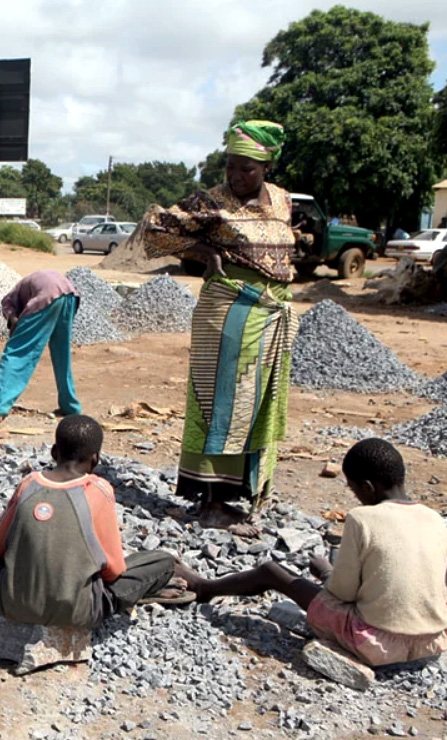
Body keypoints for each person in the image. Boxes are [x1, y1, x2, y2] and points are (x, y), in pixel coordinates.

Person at [176, 439, 447, 667]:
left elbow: (342, 594)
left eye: (353, 489)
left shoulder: (362, 519)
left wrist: (326, 572)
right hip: (437, 636)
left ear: (368, 488)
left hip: (375, 643)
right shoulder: (434, 518)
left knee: (272, 572)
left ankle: (205, 588)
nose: (355, 496)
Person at [140, 120, 297, 533]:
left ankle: (247, 489)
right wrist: (203, 249)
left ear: (266, 168)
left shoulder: (282, 200)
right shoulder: (210, 200)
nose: (236, 175)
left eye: (247, 168)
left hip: (272, 313)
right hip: (229, 311)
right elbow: (154, 230)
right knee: (223, 403)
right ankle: (212, 501)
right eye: (231, 165)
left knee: (261, 401)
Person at [0, 416, 188, 626]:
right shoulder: (99, 490)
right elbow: (114, 570)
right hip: (81, 612)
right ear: (96, 460)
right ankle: (147, 590)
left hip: (11, 604)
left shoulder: (28, 485)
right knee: (160, 561)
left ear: (53, 452)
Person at [0, 269, 82, 424]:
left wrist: (15, 327)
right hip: (70, 295)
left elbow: (14, 320)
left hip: (47, 296)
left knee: (16, 354)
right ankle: (70, 407)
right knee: (62, 354)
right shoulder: (27, 286)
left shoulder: (9, 300)